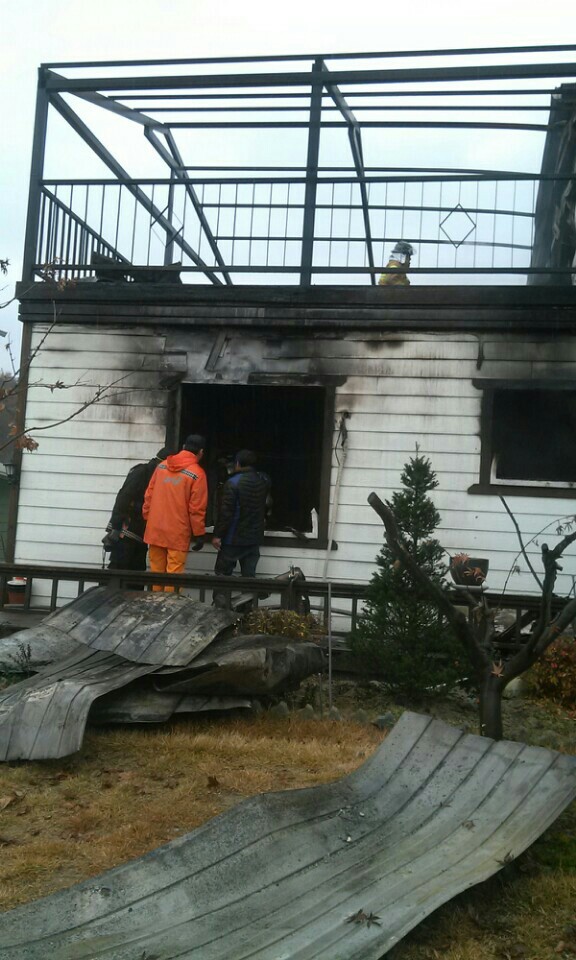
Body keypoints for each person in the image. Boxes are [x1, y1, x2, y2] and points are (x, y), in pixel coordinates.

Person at [142, 434, 208, 592]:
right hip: (178, 532)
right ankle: (170, 604)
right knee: (174, 575)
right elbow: (196, 508)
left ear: (183, 447)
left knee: (156, 573)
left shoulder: (162, 466)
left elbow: (148, 495)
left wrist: (147, 517)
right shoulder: (197, 474)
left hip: (155, 528)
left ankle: (155, 602)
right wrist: (199, 533)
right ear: (201, 452)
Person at [211, 449, 271, 609]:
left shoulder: (233, 483)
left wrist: (217, 535)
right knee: (249, 579)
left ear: (237, 463)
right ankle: (247, 613)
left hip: (233, 539)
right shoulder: (263, 480)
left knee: (223, 577)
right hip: (253, 539)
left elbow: (226, 513)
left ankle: (220, 612)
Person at [102, 446, 173, 577]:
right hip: (126, 531)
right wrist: (116, 527)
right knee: (119, 570)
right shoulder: (141, 472)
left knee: (137, 571)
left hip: (140, 534)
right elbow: (123, 498)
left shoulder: (155, 475)